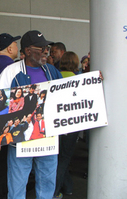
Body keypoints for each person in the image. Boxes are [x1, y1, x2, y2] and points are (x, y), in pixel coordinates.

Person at [0, 30, 63, 199]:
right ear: (26, 51)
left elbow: (67, 95)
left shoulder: (52, 71)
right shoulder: (10, 73)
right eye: (40, 47)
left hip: (48, 137)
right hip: (20, 139)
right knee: (17, 184)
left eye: (46, 47)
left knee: (47, 182)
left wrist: (92, 83)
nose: (46, 50)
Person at [53, 51, 80, 198]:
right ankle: (55, 192)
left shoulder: (54, 77)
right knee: (64, 158)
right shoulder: (80, 80)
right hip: (72, 125)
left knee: (59, 157)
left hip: (56, 124)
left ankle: (68, 187)